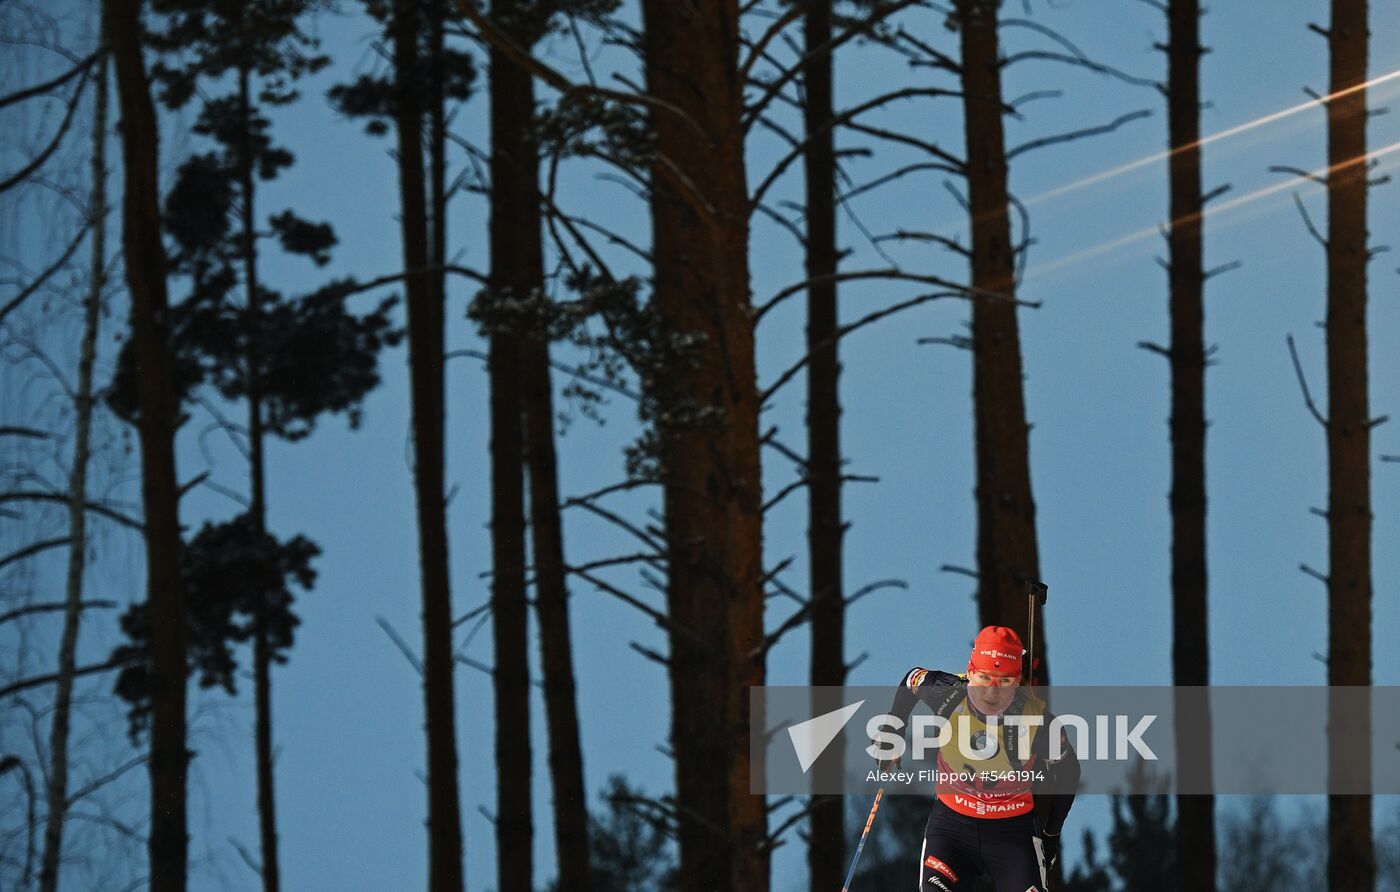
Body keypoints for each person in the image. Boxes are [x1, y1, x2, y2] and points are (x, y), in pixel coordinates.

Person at [879, 625, 1079, 891]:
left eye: (1004, 681)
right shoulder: (947, 692)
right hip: (951, 830)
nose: (991, 693)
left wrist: (1052, 835)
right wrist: (894, 731)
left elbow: (1068, 773)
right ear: (970, 672)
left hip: (1012, 836)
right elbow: (911, 680)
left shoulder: (1038, 723)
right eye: (984, 677)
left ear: (1017, 681)